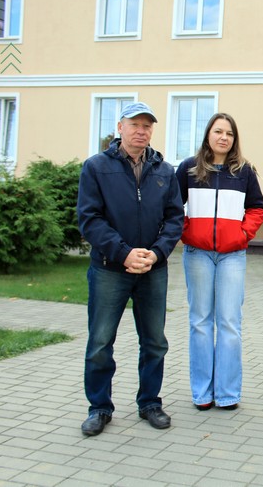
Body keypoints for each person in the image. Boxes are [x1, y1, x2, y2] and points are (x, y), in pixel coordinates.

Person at [77, 101, 184, 436]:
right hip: (110, 268)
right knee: (100, 343)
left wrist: (156, 253)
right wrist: (124, 254)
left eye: (147, 126)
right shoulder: (96, 167)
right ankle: (99, 407)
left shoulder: (164, 171)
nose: (142, 131)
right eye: (135, 125)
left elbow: (174, 219)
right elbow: (89, 220)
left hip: (153, 270)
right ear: (119, 128)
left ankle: (150, 402)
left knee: (154, 342)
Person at [176, 113, 263, 411]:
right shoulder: (189, 169)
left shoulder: (244, 172)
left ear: (234, 138)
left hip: (232, 256)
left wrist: (242, 234)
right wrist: (187, 231)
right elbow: (173, 207)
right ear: (208, 135)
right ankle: (202, 393)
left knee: (229, 323)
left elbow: (256, 208)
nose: (223, 137)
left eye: (229, 133)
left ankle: (227, 394)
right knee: (200, 322)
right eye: (218, 131)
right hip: (198, 254)